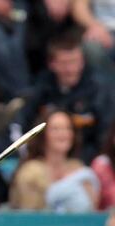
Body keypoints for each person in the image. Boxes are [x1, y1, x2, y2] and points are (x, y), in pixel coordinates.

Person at [10, 30, 113, 163]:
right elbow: (21, 121)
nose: (71, 69)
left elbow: (105, 135)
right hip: (44, 160)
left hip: (84, 162)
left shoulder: (99, 89)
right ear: (52, 64)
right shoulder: (43, 86)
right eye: (65, 63)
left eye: (75, 62)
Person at [10, 109, 99, 211]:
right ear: (43, 135)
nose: (63, 134)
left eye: (68, 128)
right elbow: (28, 211)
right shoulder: (30, 171)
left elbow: (92, 208)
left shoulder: (79, 168)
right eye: (55, 129)